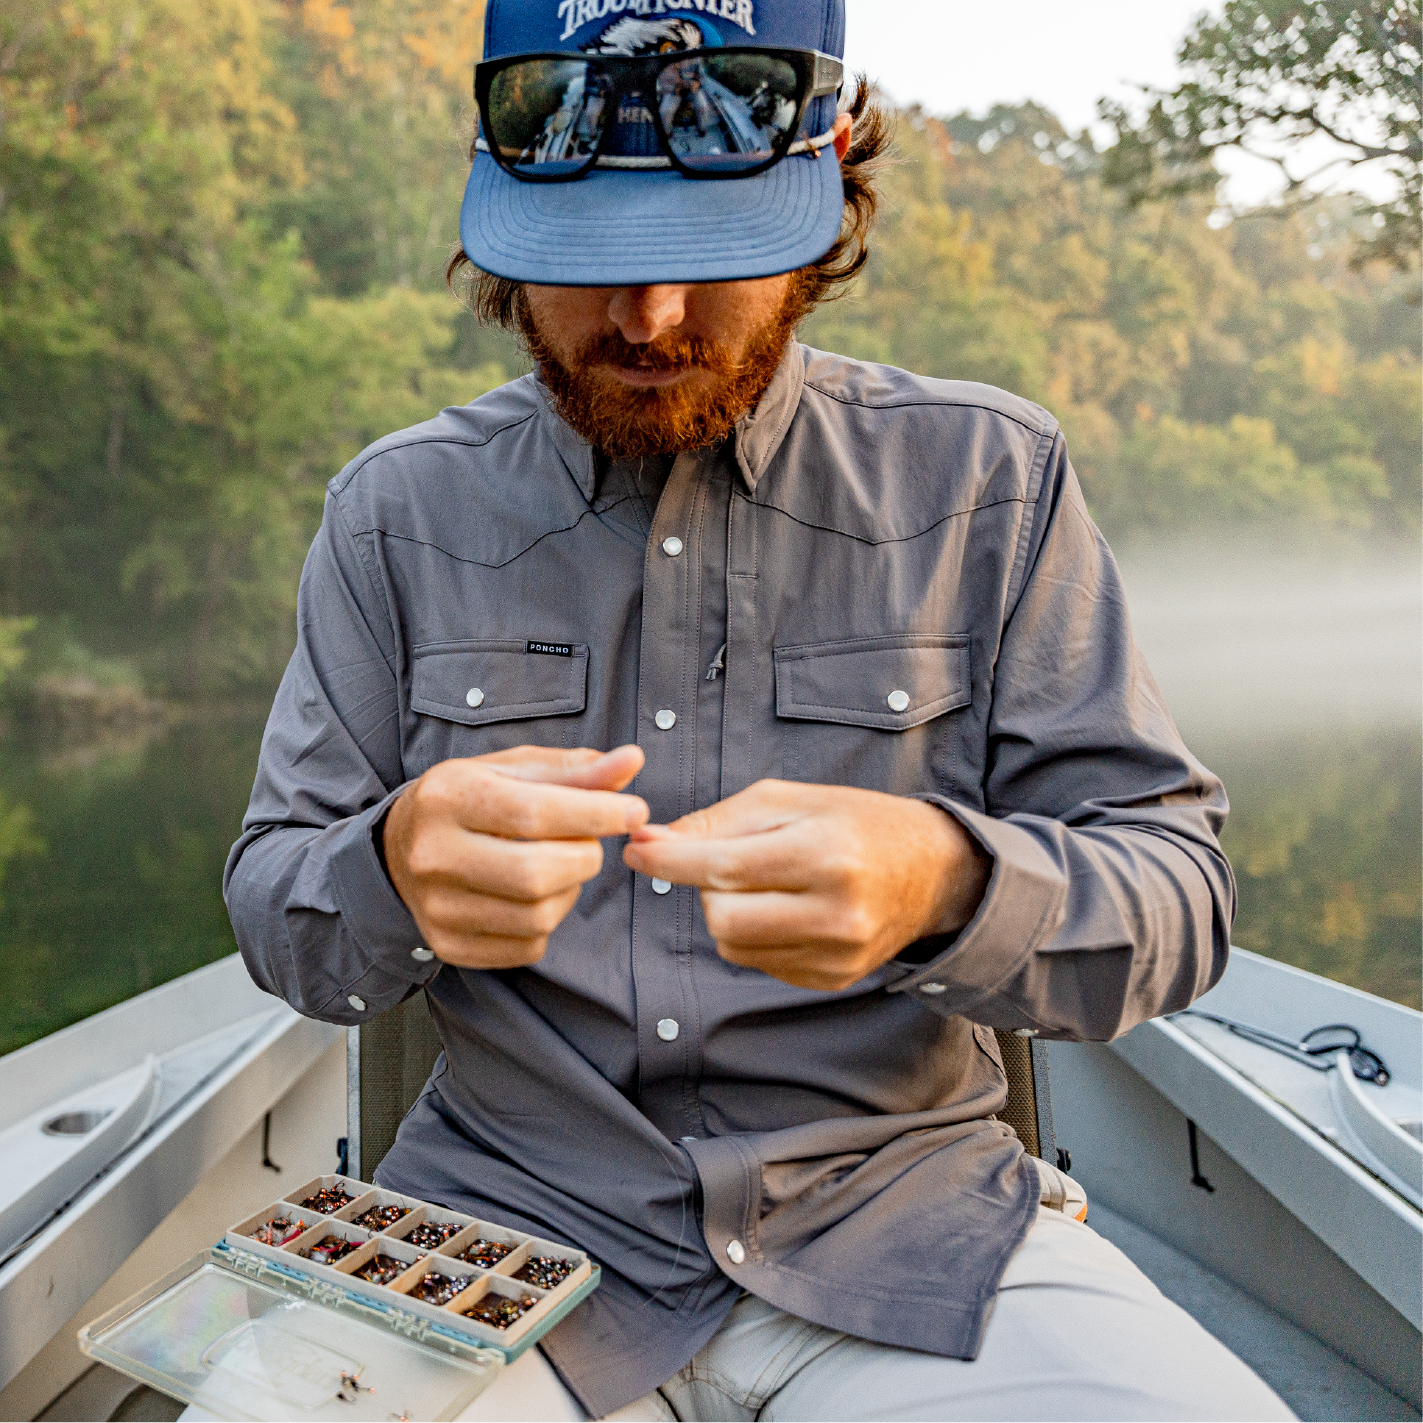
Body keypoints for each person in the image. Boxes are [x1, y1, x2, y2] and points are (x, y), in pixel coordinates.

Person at [224, 1, 1298, 1419]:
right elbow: (279, 909)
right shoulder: (393, 513)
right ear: (498, 229)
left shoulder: (989, 478)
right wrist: (388, 871)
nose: (648, 322)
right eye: (590, 264)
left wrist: (947, 881)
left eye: (707, 259)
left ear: (827, 199)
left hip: (913, 1230)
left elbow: (1178, 900)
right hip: (493, 1252)